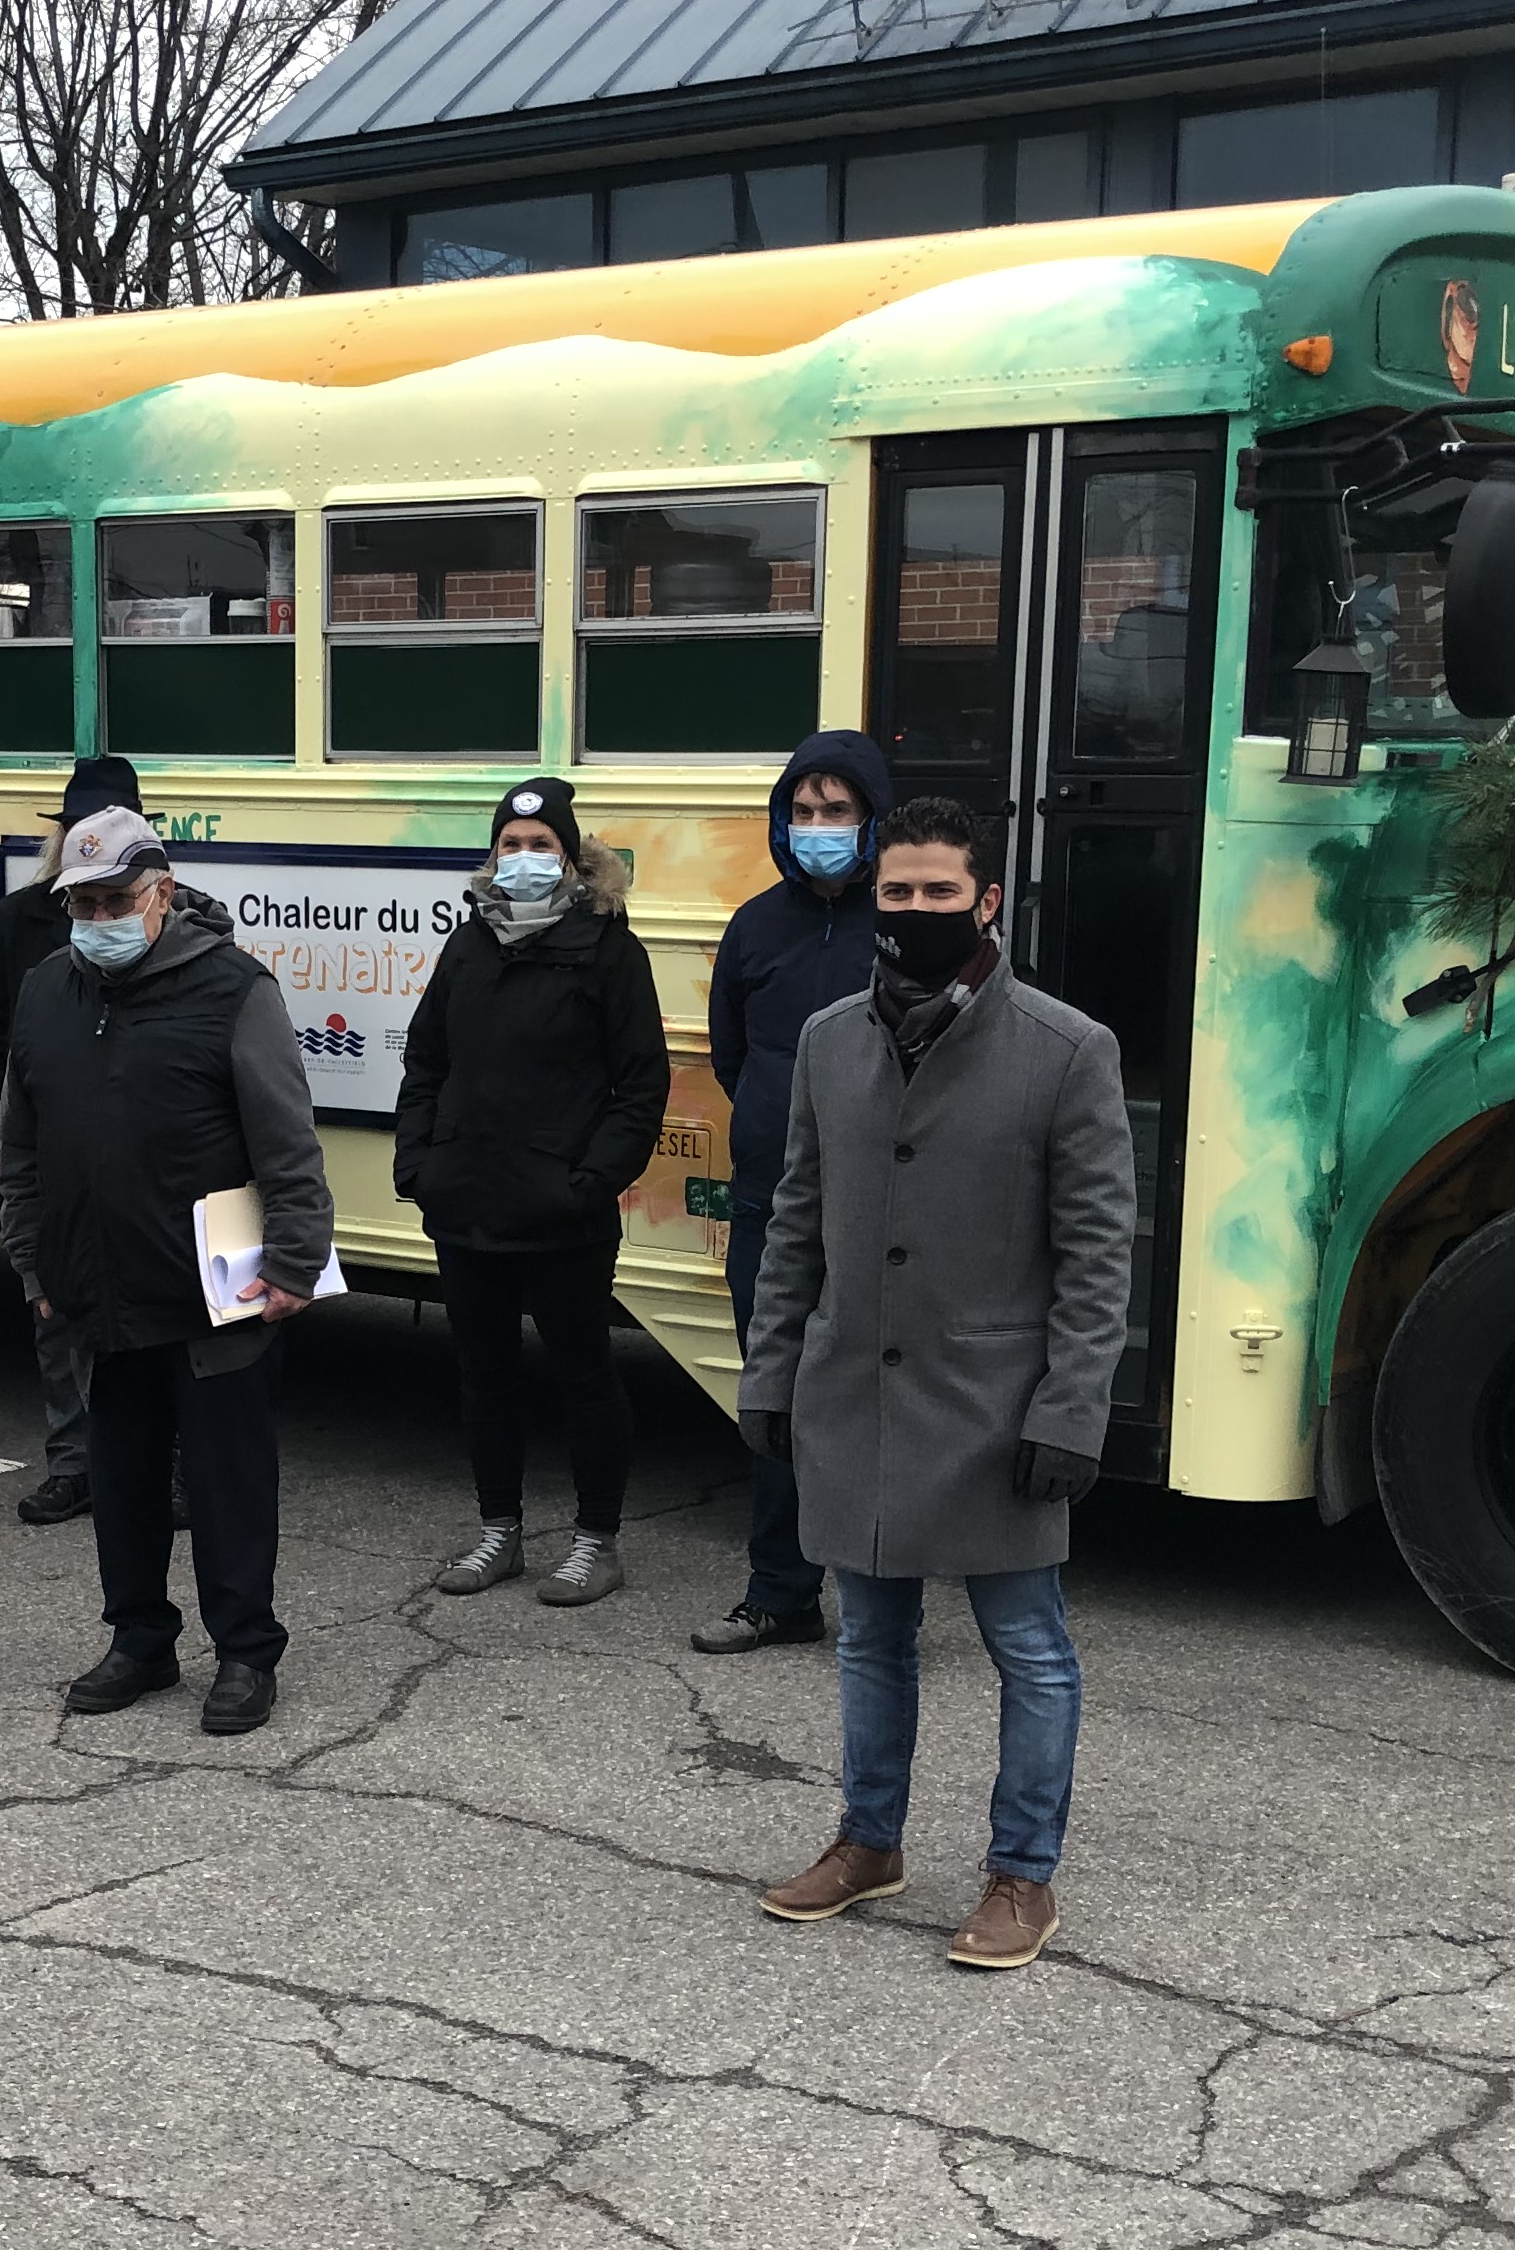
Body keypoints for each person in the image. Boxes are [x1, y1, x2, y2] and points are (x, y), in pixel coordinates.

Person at [735, 795, 1133, 1972]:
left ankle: (1023, 1876)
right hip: (853, 1389)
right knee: (869, 1639)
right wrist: (770, 1373)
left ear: (987, 901)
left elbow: (1098, 1251)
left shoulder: (1069, 1051)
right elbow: (795, 1217)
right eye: (895, 892)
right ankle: (869, 1842)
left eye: (937, 893)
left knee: (1031, 1650)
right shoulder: (827, 1041)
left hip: (996, 1409)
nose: (912, 912)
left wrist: (1072, 1407)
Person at [0, 808, 331, 1738]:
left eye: (116, 899)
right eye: (83, 901)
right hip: (93, 1289)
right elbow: (19, 1142)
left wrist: (297, 1262)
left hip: (213, 1292)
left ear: (163, 896)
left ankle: (246, 1651)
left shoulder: (234, 989)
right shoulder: (46, 991)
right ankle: (140, 1639)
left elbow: (286, 1139)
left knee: (228, 1479)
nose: (98, 917)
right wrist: (30, 1259)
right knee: (124, 1477)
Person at [398, 776, 668, 1607]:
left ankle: (596, 1540)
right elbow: (426, 1062)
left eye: (539, 846)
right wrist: (420, 1165)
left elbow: (639, 1086)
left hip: (563, 1216)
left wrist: (589, 1184)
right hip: (468, 1204)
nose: (522, 860)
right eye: (510, 847)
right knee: (485, 1375)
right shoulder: (468, 943)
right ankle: (498, 1532)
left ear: (570, 856)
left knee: (586, 1373)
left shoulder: (610, 948)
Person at [695, 730, 892, 1653]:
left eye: (837, 813)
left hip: (882, 1211)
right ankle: (780, 1594)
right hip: (770, 1204)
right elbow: (732, 1053)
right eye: (803, 813)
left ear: (871, 821)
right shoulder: (754, 926)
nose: (818, 829)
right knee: (774, 1397)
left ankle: (883, 1602)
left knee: (876, 1401)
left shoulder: (904, 924)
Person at [0, 752, 132, 1528]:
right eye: (77, 828)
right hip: (51, 1154)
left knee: (151, 1323)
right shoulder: (22, 921)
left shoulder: (187, 918)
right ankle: (73, 1465)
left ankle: (156, 1467)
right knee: (52, 1311)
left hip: (143, 1162)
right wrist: (11, 1116)